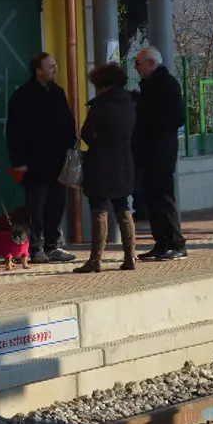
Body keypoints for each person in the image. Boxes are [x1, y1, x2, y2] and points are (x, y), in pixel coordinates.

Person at [6, 52, 77, 264]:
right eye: (50, 67)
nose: (55, 70)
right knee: (36, 207)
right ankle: (35, 247)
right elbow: (14, 131)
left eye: (55, 66)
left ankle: (53, 245)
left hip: (58, 162)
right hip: (34, 164)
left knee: (57, 205)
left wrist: (70, 145)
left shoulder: (57, 92)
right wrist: (18, 160)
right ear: (38, 70)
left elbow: (68, 122)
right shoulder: (23, 96)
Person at [74, 63, 137, 274]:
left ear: (103, 85)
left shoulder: (101, 106)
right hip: (124, 161)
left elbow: (86, 132)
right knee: (123, 207)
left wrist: (98, 143)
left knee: (99, 209)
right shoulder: (129, 103)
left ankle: (96, 259)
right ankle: (130, 255)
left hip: (100, 163)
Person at [132, 46, 187, 261]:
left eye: (138, 63)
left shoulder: (165, 84)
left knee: (163, 196)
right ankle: (161, 242)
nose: (136, 68)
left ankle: (176, 241)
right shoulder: (149, 85)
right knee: (152, 197)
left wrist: (152, 124)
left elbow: (177, 117)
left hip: (161, 150)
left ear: (151, 63)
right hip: (150, 149)